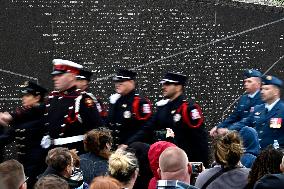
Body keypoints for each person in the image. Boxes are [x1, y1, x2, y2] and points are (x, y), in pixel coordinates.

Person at [131, 72, 209, 166]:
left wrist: (201, 166)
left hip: (185, 163)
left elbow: (200, 141)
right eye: (163, 84)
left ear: (178, 87)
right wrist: (128, 144)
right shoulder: (163, 109)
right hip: (165, 162)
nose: (163, 87)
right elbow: (147, 129)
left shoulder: (188, 109)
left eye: (168, 84)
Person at [41, 59, 103, 154]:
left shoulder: (82, 99)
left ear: (72, 76)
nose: (55, 78)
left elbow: (98, 129)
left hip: (75, 154)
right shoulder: (53, 98)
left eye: (60, 75)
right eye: (54, 75)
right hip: (53, 154)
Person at [0, 81, 47, 188]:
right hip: (23, 163)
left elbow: (38, 109)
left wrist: (12, 116)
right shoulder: (22, 116)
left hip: (39, 166)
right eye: (23, 95)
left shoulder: (43, 113)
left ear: (37, 97)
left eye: (27, 95)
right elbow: (8, 136)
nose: (23, 98)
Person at [227, 75, 284, 149]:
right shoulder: (258, 109)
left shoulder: (282, 110)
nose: (262, 92)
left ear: (276, 92)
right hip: (258, 154)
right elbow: (245, 122)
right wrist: (228, 130)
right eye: (262, 89)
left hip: (277, 155)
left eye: (266, 89)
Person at [210, 69, 263, 137]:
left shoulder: (263, 98)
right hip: (240, 135)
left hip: (255, 136)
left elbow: (250, 120)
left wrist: (228, 130)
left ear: (258, 84)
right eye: (245, 81)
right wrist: (218, 127)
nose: (246, 84)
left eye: (249, 81)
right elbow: (234, 116)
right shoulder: (244, 98)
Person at [108, 69, 152, 147]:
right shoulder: (115, 101)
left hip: (134, 148)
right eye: (116, 82)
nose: (117, 84)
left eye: (121, 82)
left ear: (131, 82)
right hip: (116, 148)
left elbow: (146, 129)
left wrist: (127, 144)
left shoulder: (140, 102)